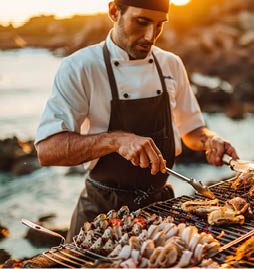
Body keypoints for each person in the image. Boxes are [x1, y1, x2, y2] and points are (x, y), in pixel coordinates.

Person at [34, 0, 239, 242]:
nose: (151, 36)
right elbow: (48, 150)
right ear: (113, 11)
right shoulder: (80, 67)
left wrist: (209, 140)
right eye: (141, 22)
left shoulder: (171, 64)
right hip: (100, 215)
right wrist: (116, 140)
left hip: (159, 211)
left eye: (159, 25)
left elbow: (192, 129)